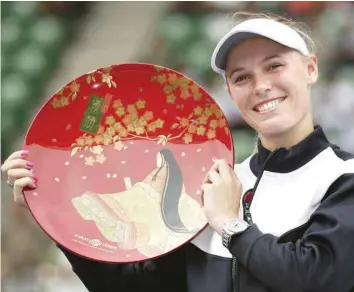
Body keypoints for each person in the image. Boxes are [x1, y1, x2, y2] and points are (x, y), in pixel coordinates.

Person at [2, 12, 354, 292]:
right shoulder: (211, 184)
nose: (261, 86)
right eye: (241, 77)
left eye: (275, 66)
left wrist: (231, 226)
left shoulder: (342, 178)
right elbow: (139, 287)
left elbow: (320, 278)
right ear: (230, 92)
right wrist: (56, 215)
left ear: (310, 69)